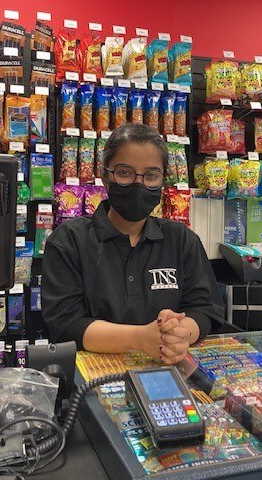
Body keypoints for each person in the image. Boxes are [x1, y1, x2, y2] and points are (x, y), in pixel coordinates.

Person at [42, 124, 224, 365]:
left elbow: (204, 310)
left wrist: (178, 335)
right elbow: (65, 324)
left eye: (151, 176)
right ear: (106, 175)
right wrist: (139, 338)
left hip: (168, 374)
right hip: (92, 383)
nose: (139, 184)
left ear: (162, 179)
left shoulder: (182, 240)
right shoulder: (69, 240)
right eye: (125, 172)